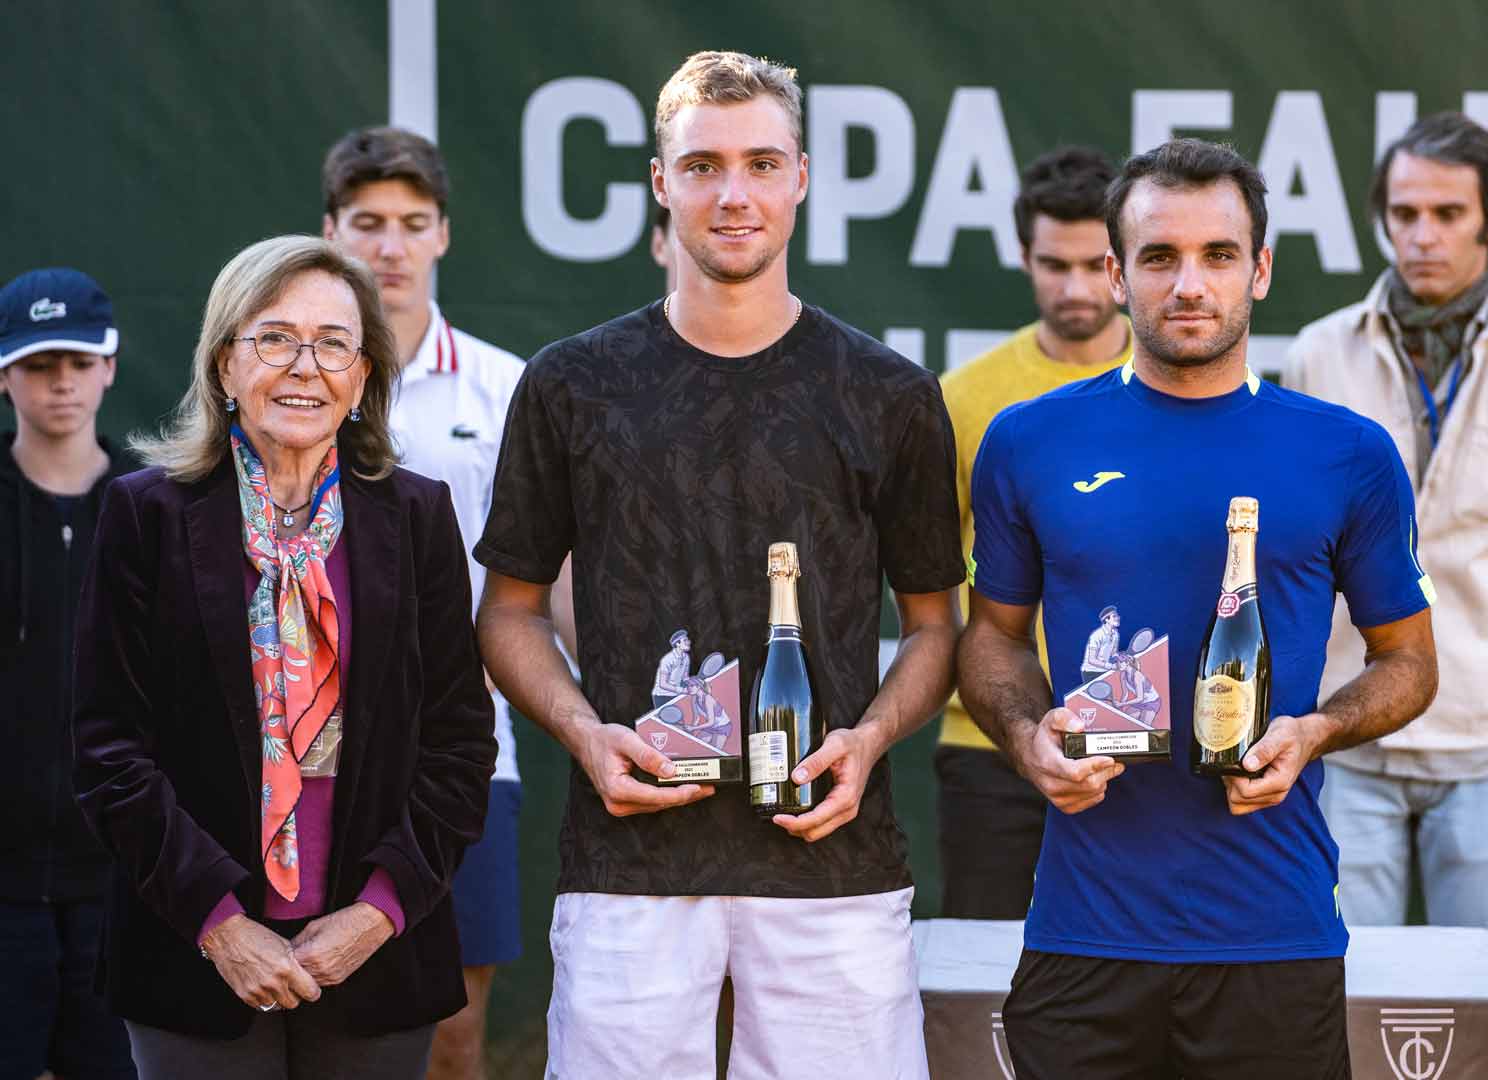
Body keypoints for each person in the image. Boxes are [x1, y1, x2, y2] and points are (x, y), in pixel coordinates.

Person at [473, 51, 963, 1079]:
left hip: (833, 859)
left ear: (802, 177)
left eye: (759, 163)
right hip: (629, 863)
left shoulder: (891, 394)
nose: (732, 193)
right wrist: (584, 735)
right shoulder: (571, 386)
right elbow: (509, 612)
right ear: (660, 182)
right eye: (701, 166)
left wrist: (870, 741)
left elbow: (934, 629)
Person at [957, 138, 1438, 1077]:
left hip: (1273, 931)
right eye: (1159, 256)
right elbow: (993, 641)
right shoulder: (1029, 442)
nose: (1189, 284)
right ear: (1115, 271)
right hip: (1084, 932)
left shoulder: (1347, 452)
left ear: (1259, 270)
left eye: (1219, 255)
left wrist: (1314, 733)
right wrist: (1024, 738)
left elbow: (1410, 666)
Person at [71, 235, 495, 1077]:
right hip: (193, 954)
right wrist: (221, 925)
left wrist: (376, 913)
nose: (305, 366)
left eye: (333, 343)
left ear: (363, 377)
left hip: (376, 958)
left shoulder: (417, 518)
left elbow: (459, 743)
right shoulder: (144, 515)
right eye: (274, 338)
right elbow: (108, 748)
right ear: (225, 365)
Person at [1281, 112, 1488, 929]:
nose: (1422, 236)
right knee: (1337, 988)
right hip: (1343, 727)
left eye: (1447, 214)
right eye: (1404, 213)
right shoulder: (1317, 355)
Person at [318, 127, 556, 1078]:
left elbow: (548, 579)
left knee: (454, 1030)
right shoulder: (285, 384)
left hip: (466, 750)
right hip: (303, 751)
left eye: (413, 224)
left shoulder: (506, 387)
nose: (391, 247)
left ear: (445, 236)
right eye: (368, 224)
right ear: (330, 232)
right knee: (317, 1014)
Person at [934, 144, 1130, 919]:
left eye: (1094, 264)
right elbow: (929, 578)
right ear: (1023, 256)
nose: (1076, 287)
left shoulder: (1179, 385)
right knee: (984, 983)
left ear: (1123, 260)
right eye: (1055, 264)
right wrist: (988, 692)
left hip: (1136, 745)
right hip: (990, 746)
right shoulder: (966, 397)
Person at [0, 268, 138, 1080]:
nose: (61, 382)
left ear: (110, 366)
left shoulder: (152, 507)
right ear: (4, 372)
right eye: (39, 363)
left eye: (79, 362)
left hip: (118, 884)